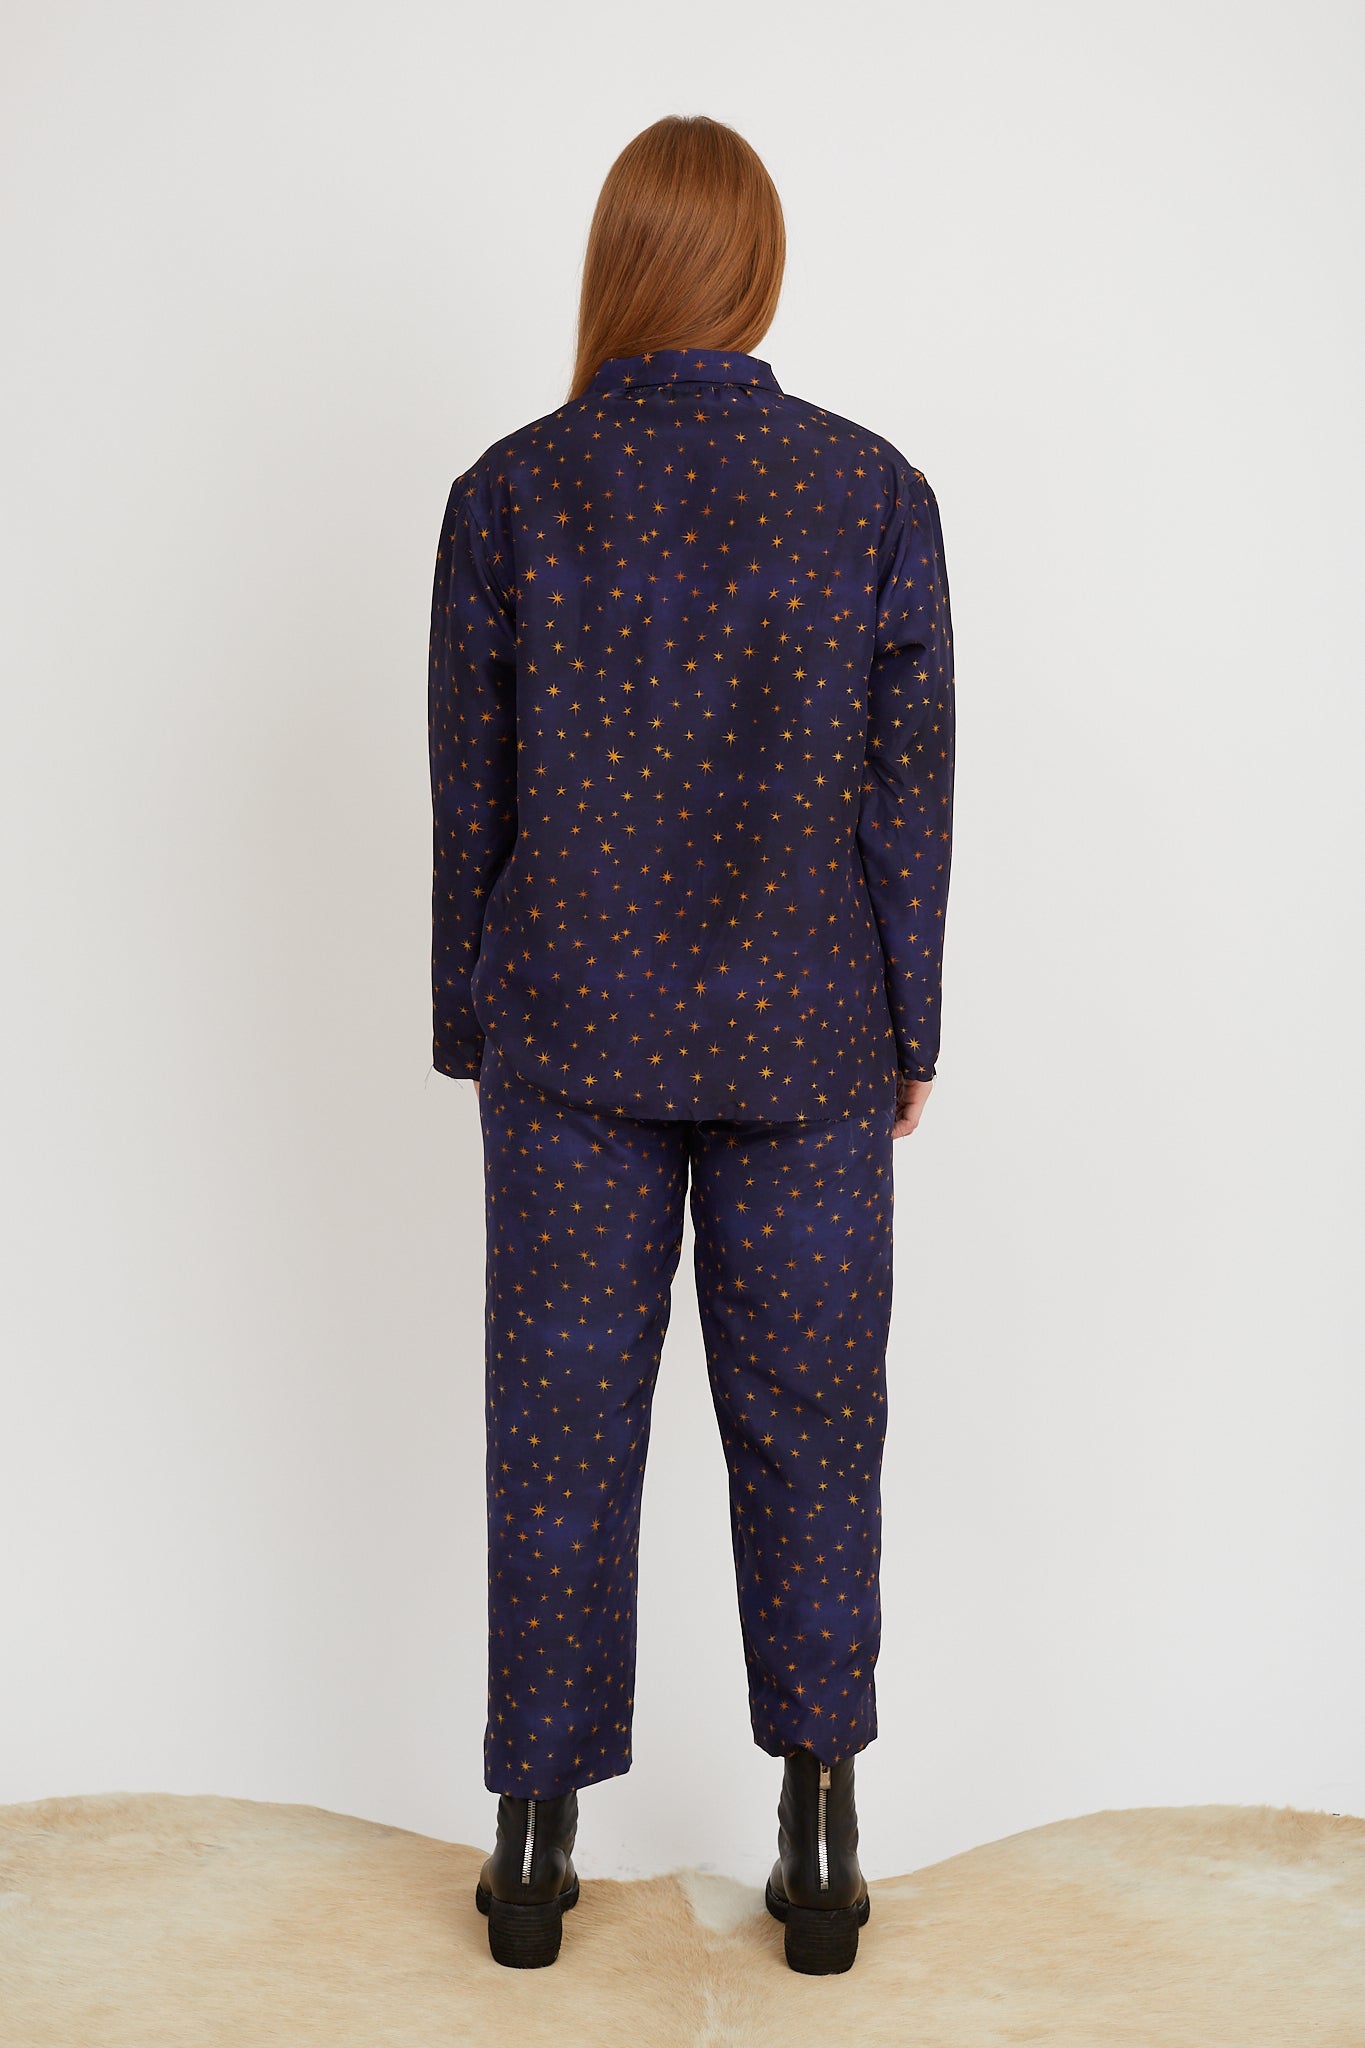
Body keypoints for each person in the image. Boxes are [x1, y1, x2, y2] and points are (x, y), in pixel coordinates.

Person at [428, 112, 955, 1975]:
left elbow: (471, 793)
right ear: (757, 270)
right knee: (814, 1430)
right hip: (808, 1039)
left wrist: (470, 1018)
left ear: (618, 265)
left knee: (555, 1434)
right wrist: (909, 1021)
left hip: (568, 1038)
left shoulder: (510, 493)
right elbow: (907, 791)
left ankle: (529, 1845)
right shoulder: (873, 493)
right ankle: (821, 1834)